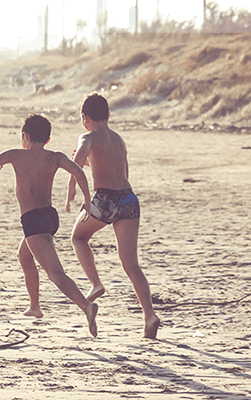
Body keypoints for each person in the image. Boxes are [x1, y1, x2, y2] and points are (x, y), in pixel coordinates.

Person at [0, 113, 98, 337]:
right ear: (48, 139)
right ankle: (34, 307)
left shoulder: (16, 155)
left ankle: (86, 306)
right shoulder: (55, 157)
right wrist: (87, 201)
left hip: (32, 219)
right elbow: (79, 172)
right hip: (50, 218)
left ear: (25, 136)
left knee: (55, 274)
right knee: (24, 255)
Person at [65, 93, 160, 339]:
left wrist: (72, 190)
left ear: (84, 118)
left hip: (105, 198)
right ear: (108, 115)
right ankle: (149, 315)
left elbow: (77, 162)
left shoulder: (87, 136)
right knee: (131, 264)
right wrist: (94, 165)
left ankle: (96, 284)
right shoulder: (119, 139)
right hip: (128, 199)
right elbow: (122, 171)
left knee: (78, 238)